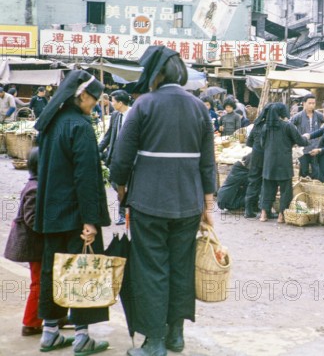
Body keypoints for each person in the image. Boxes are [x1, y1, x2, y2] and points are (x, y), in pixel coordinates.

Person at [110, 46, 216, 356]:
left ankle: (154, 342)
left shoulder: (143, 106)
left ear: (155, 75)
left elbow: (121, 159)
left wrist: (121, 190)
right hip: (189, 203)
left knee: (151, 268)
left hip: (148, 203)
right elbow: (208, 164)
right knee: (180, 267)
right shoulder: (199, 107)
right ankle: (176, 336)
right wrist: (208, 207)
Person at [34, 70, 111, 354]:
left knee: (52, 270)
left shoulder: (52, 124)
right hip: (77, 213)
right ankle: (81, 337)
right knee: (83, 272)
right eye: (95, 99)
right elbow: (87, 177)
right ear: (82, 96)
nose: (96, 105)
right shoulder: (80, 126)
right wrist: (91, 220)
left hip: (52, 213)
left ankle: (50, 332)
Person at [3, 147, 45, 336]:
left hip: (37, 245)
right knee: (39, 283)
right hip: (34, 246)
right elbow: (32, 219)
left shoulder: (36, 185)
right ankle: (31, 323)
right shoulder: (34, 189)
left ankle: (52, 316)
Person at [259, 102, 308, 223]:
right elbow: (300, 140)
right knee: (286, 189)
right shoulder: (287, 126)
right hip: (283, 162)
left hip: (269, 163)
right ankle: (281, 215)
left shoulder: (266, 127)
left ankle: (263, 214)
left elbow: (262, 144)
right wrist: (306, 138)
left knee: (267, 188)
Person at [98, 90, 132, 225]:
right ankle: (124, 208)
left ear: (120, 103)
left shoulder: (134, 115)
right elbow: (108, 135)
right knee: (115, 183)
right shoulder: (115, 115)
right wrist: (96, 150)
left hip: (130, 158)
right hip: (115, 157)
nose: (111, 103)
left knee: (125, 185)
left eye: (113, 101)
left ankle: (123, 213)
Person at [244, 104, 271, 218]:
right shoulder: (271, 126)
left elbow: (248, 142)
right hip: (266, 158)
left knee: (253, 182)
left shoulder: (257, 124)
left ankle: (248, 210)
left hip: (255, 157)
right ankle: (264, 210)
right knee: (266, 183)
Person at [291, 94, 324, 179]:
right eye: (309, 103)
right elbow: (289, 127)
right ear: (304, 103)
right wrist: (295, 139)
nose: (312, 105)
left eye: (313, 103)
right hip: (303, 149)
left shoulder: (319, 115)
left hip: (315, 147)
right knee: (303, 171)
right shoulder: (298, 116)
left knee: (316, 171)